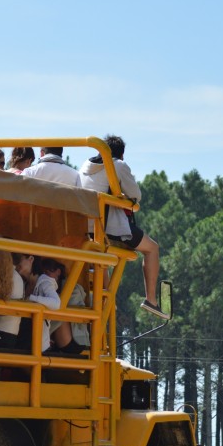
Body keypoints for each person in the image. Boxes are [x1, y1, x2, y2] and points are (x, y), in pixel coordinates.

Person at [80, 134, 166, 319]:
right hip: (109, 226)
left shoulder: (84, 167)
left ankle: (108, 301)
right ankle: (151, 299)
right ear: (121, 155)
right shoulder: (118, 165)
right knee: (152, 248)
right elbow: (135, 196)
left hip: (83, 227)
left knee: (103, 259)